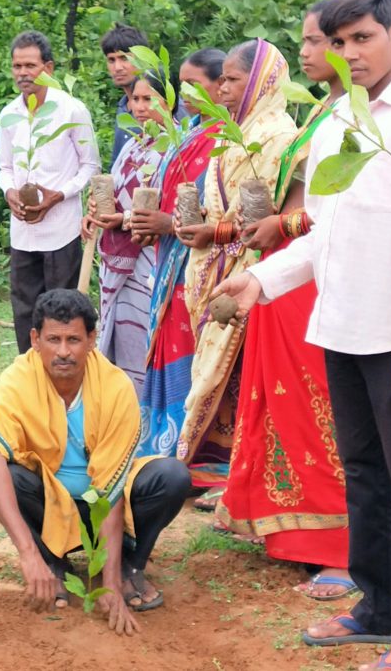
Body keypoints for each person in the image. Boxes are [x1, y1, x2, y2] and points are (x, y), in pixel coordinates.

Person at [218, 0, 391, 671]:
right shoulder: (335, 122)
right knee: (363, 473)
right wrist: (262, 280)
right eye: (338, 41)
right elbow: (324, 236)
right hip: (342, 326)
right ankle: (379, 606)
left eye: (363, 38)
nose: (350, 53)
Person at [211, 8, 353, 602]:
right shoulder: (321, 111)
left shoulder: (359, 116)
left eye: (320, 41)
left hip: (313, 275)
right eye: (306, 41)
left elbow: (337, 211)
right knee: (277, 399)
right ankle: (284, 526)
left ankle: (341, 547)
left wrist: (281, 224)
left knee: (318, 406)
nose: (308, 52)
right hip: (283, 272)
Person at [0, 289, 193, 635]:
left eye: (74, 339)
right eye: (54, 340)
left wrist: (109, 584)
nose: (63, 352)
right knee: (11, 477)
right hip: (49, 508)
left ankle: (128, 567)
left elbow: (111, 490)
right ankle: (52, 563)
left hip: (102, 507)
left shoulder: (115, 386)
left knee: (172, 476)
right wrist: (27, 554)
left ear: (91, 340)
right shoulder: (16, 381)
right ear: (35, 340)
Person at [174, 39, 306, 496]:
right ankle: (215, 461)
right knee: (220, 369)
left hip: (256, 267)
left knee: (242, 367)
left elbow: (275, 218)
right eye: (224, 78)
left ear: (262, 82)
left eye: (233, 79)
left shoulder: (279, 137)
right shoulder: (233, 132)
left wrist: (217, 233)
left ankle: (242, 469)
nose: (224, 88)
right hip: (213, 263)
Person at [127, 51, 222, 460]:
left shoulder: (226, 140)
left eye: (194, 84)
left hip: (203, 268)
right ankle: (164, 443)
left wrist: (167, 224)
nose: (185, 94)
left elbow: (223, 212)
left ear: (221, 85)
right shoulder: (187, 133)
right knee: (170, 342)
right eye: (181, 85)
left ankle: (193, 449)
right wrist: (148, 224)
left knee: (194, 351)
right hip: (170, 265)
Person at [0, 30, 101, 354]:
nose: (23, 73)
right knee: (24, 310)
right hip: (23, 231)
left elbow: (90, 165)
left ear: (49, 68)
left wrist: (58, 195)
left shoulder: (72, 110)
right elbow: (5, 167)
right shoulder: (9, 114)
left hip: (61, 230)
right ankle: (29, 375)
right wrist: (9, 192)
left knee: (62, 310)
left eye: (30, 65)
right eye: (17, 66)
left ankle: (64, 374)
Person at [85, 67, 173, 395]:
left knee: (144, 338)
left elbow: (168, 209)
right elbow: (114, 192)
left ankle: (144, 410)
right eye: (135, 99)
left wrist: (122, 220)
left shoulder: (175, 148)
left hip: (151, 260)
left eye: (149, 99)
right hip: (118, 261)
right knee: (122, 338)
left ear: (169, 101)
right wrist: (94, 210)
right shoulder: (133, 146)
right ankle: (123, 409)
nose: (139, 107)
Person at [100, 24, 150, 166]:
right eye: (111, 60)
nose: (117, 67)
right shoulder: (123, 107)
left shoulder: (162, 103)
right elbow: (117, 162)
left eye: (124, 58)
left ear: (142, 59)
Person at [177, 48, 226, 126]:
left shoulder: (234, 129)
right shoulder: (185, 130)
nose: (183, 92)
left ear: (221, 83)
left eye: (191, 84)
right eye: (182, 85)